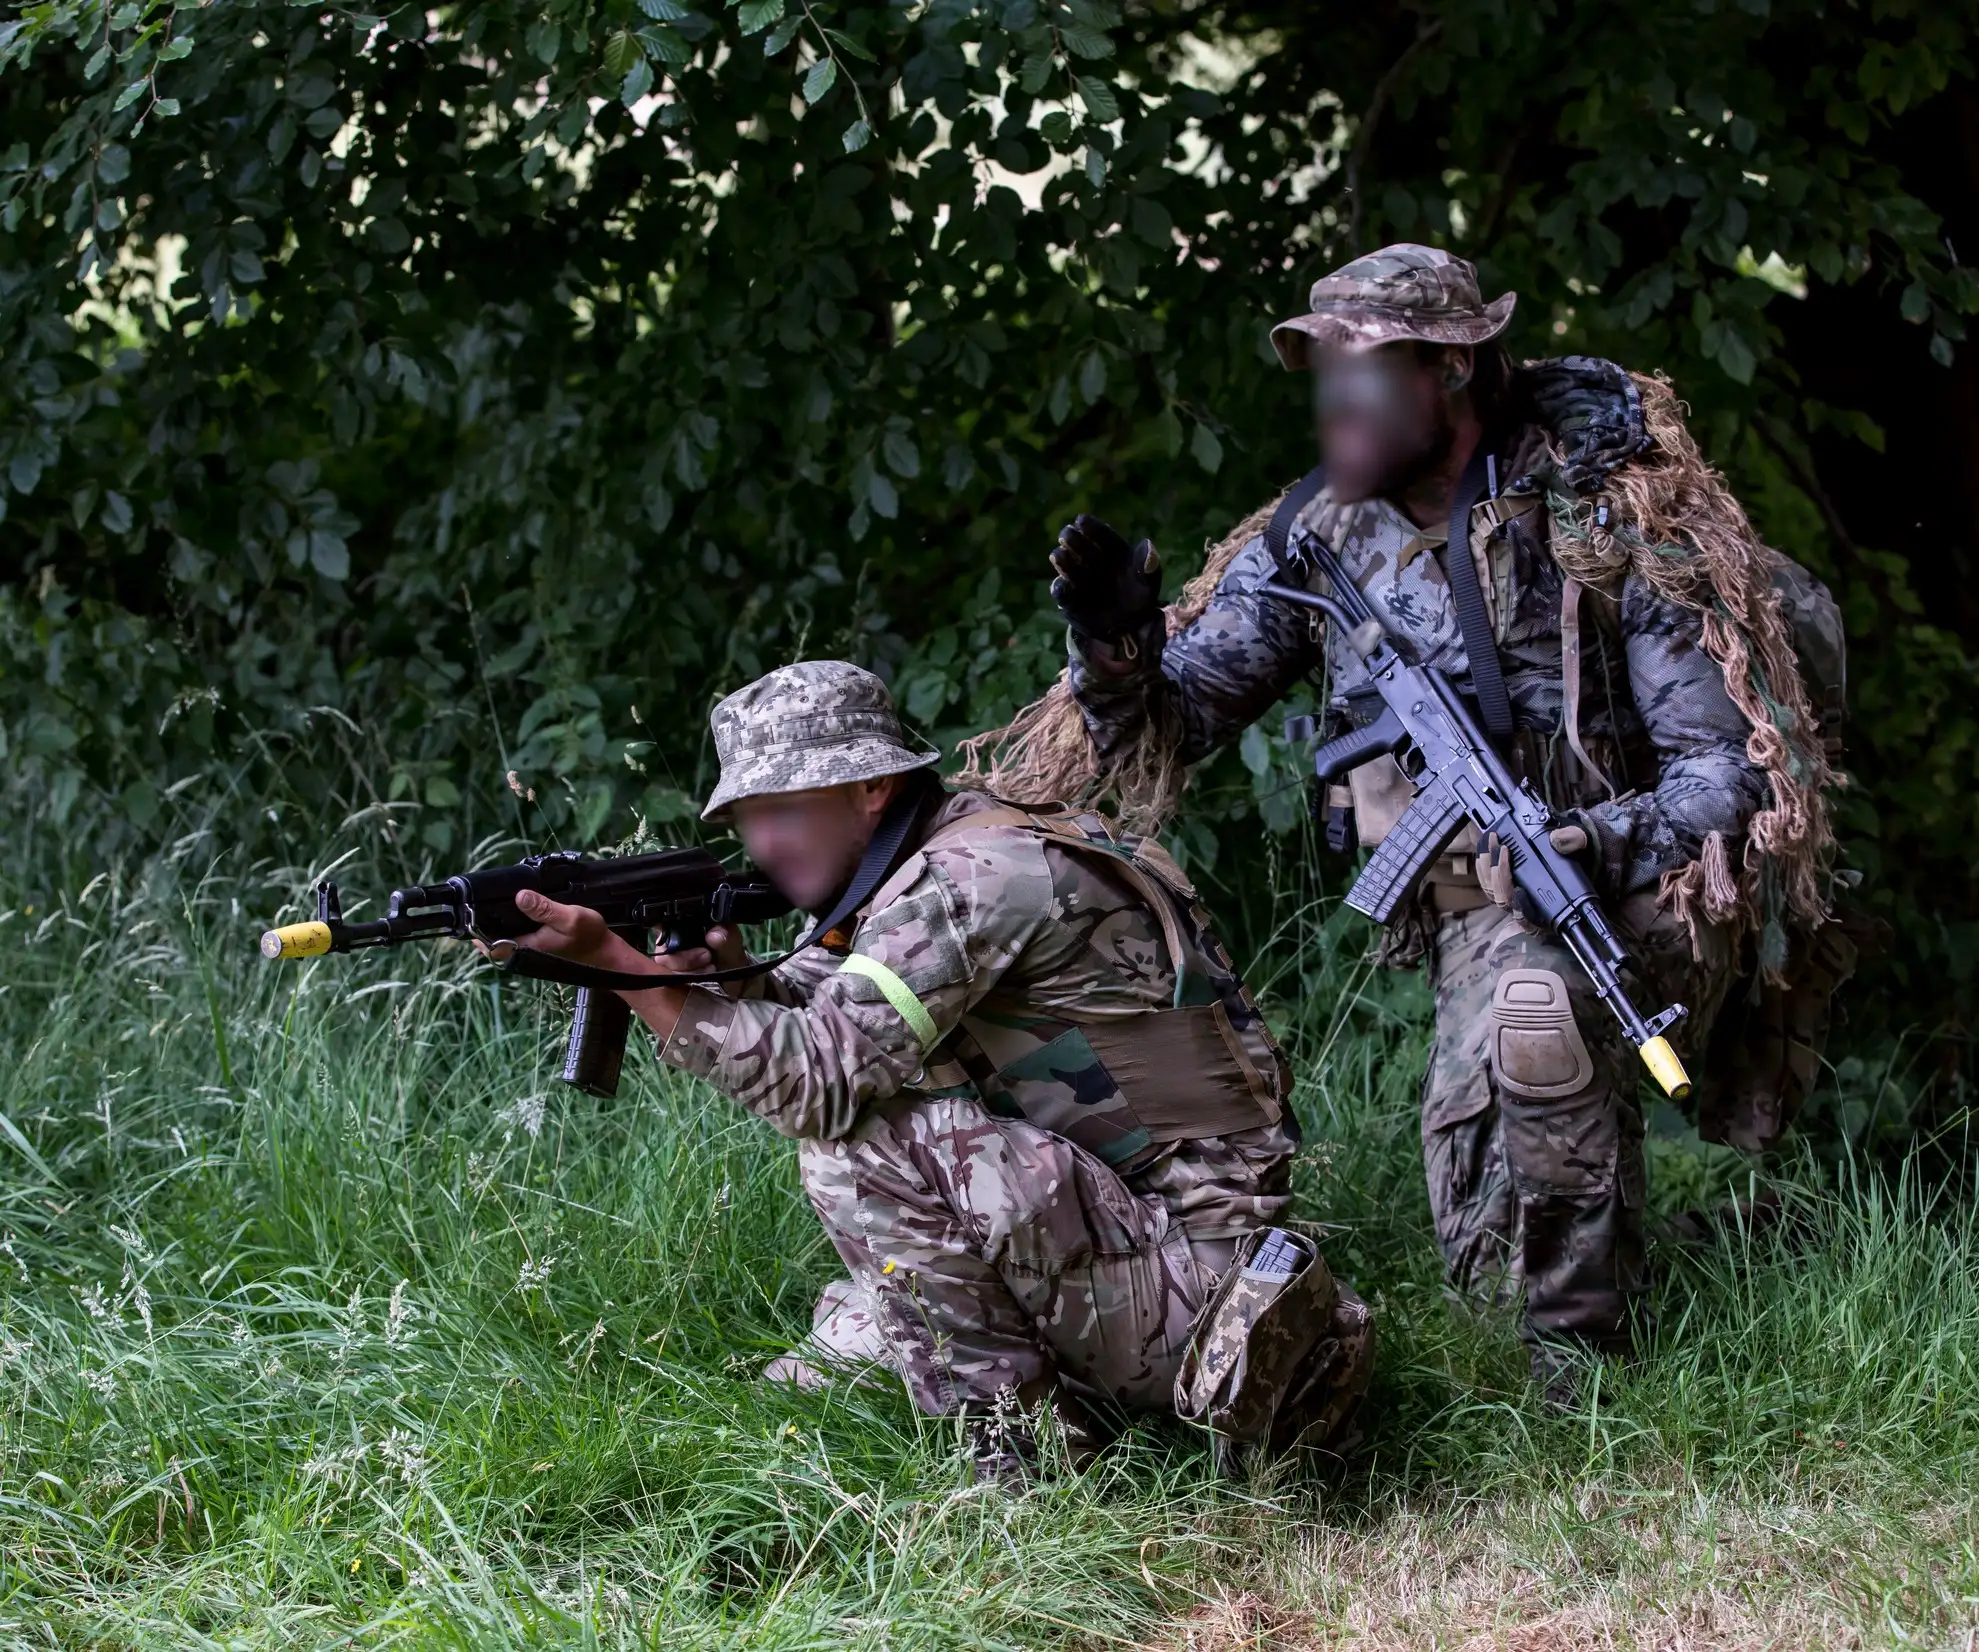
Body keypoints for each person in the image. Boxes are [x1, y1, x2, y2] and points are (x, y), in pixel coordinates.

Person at [960, 243, 1850, 1403]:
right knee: (1492, 1175)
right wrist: (1116, 645)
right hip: (1477, 899)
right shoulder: (1319, 534)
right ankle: (1530, 1307)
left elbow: (1729, 772)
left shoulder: (1604, 510)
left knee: (1535, 1011)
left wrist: (1593, 843)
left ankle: (1575, 1370)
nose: (1332, 401)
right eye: (1318, 372)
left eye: (1362, 372)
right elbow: (1168, 724)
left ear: (1450, 367)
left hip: (1650, 877)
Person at [506, 660, 1374, 1480]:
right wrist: (726, 980)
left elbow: (819, 1081)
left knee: (855, 1146)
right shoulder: (952, 851)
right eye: (746, 818)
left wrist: (622, 971)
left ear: (870, 788)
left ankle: (1021, 1470)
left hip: (1209, 1300)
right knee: (820, 1374)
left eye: (784, 811)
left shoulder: (972, 880)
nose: (760, 843)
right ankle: (1056, 1391)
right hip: (1155, 1240)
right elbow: (838, 1007)